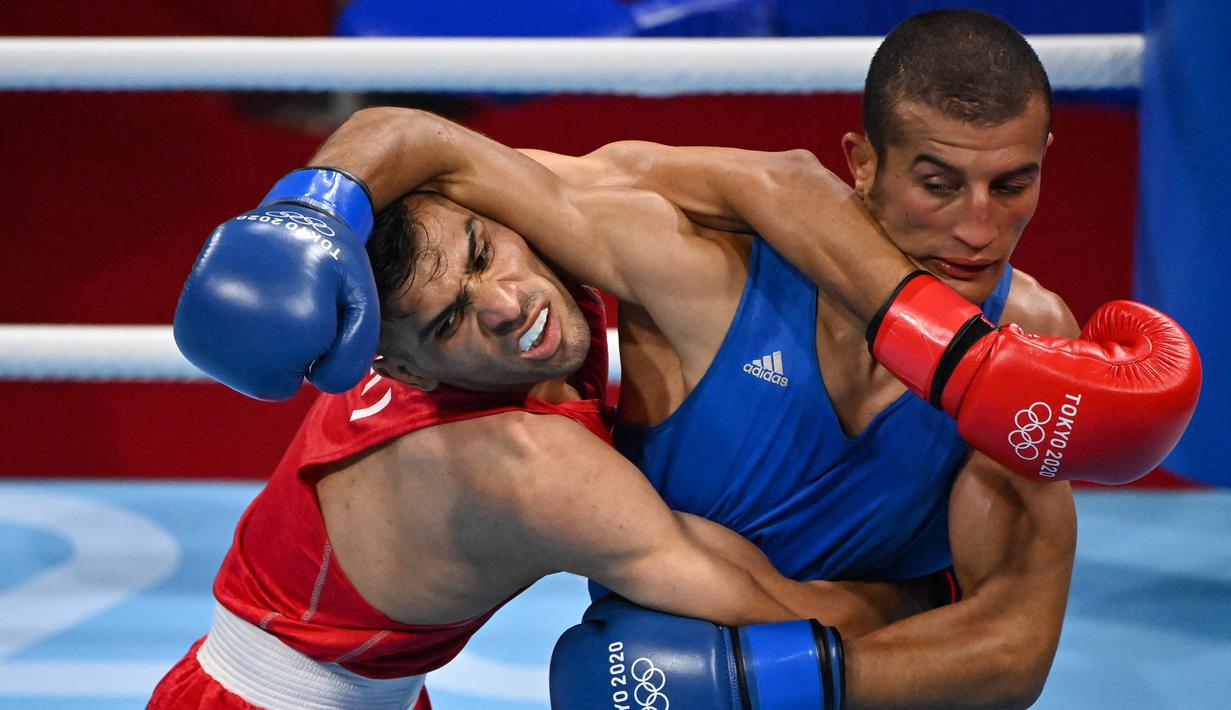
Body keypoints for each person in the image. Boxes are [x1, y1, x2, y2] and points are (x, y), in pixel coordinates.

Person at [169, 10, 1200, 709]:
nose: (978, 227)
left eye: (1011, 185)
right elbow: (742, 589)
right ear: (863, 165)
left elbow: (1011, 650)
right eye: (936, 183)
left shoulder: (1039, 361)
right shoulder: (657, 305)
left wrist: (764, 678)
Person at [151, 152, 947, 710]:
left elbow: (771, 183)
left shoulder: (526, 258)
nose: (504, 303)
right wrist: (944, 602)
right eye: (453, 319)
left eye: (482, 252)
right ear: (409, 372)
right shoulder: (527, 466)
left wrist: (319, 200)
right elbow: (767, 607)